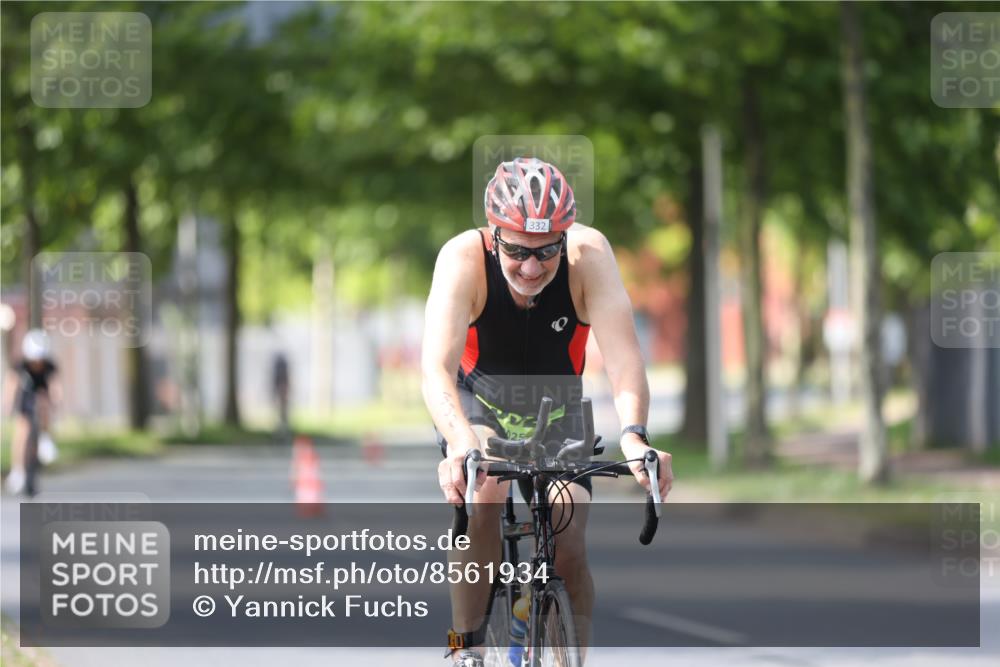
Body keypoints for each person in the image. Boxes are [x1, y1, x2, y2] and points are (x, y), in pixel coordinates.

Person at [421, 157, 674, 666]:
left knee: (568, 538)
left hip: (556, 406)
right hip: (478, 404)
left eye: (546, 252)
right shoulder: (462, 258)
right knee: (485, 491)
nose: (532, 267)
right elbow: (435, 368)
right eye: (516, 251)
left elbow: (624, 360)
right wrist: (459, 444)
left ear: (565, 237)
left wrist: (634, 437)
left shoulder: (589, 254)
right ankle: (462, 649)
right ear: (495, 235)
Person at [4, 328, 61, 495]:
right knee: (23, 430)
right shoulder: (21, 365)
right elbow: (11, 385)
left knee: (43, 403)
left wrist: (56, 401)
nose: (37, 363)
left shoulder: (49, 366)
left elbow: (55, 386)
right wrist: (7, 405)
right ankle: (17, 471)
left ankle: (45, 438)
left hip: (41, 397)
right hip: (25, 397)